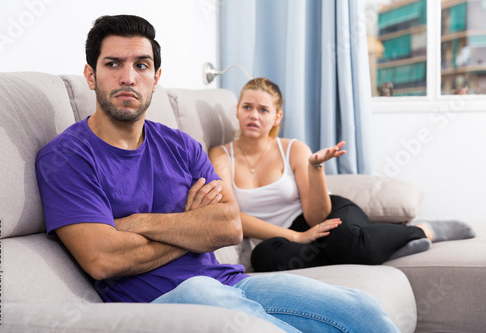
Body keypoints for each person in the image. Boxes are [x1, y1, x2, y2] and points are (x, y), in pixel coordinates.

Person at [35, 15, 401, 332]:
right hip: (154, 305)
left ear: (156, 76)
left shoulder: (181, 145)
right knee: (201, 293)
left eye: (141, 65)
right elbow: (104, 260)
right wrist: (192, 225)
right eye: (113, 64)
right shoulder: (67, 157)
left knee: (361, 310)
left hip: (228, 284)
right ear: (90, 75)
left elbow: (229, 227)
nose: (128, 77)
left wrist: (138, 222)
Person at [209, 77, 476, 273]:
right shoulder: (221, 155)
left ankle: (423, 229)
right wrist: (296, 237)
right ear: (237, 110)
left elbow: (316, 217)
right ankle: (385, 248)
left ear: (277, 117)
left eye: (263, 110)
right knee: (264, 258)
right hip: (279, 238)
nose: (253, 115)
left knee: (347, 241)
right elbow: (231, 213)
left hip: (327, 213)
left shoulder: (293, 149)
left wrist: (316, 169)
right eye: (247, 107)